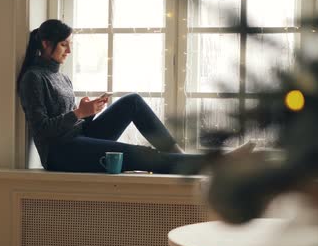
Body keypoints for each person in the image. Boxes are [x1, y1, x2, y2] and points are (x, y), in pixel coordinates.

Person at [18, 19, 252, 174]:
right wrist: (78, 113)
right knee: (139, 154)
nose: (69, 51)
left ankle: (177, 156)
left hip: (77, 139)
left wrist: (88, 113)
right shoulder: (33, 78)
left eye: (70, 45)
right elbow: (43, 130)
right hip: (60, 154)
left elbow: (73, 124)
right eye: (63, 45)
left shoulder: (63, 78)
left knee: (133, 101)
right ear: (46, 44)